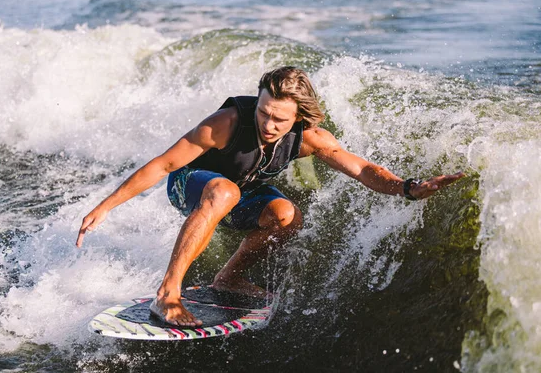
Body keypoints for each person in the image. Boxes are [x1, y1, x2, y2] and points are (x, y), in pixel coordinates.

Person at [76, 66, 464, 327]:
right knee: (223, 189)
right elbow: (163, 165)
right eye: (264, 112)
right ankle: (168, 294)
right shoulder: (227, 123)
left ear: (299, 117)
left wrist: (409, 188)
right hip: (191, 184)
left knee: (287, 215)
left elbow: (361, 169)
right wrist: (105, 206)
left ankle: (229, 278)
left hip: (239, 192)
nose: (268, 124)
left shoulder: (309, 137)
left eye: (279, 119)